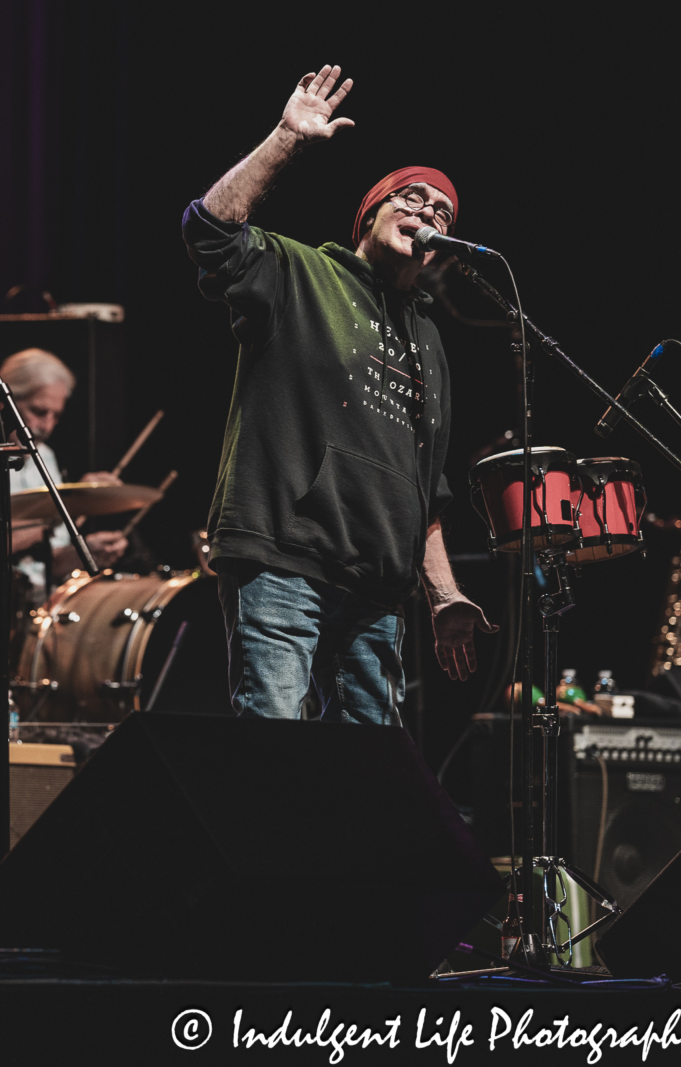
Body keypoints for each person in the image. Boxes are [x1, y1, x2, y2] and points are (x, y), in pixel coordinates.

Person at [181, 65, 495, 724]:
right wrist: (286, 139)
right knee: (274, 751)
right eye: (409, 198)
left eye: (441, 211)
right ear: (372, 213)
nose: (426, 211)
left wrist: (442, 595)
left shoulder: (429, 342)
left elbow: (426, 486)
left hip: (377, 588)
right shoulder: (301, 272)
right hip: (281, 557)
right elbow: (209, 229)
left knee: (372, 777)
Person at [0, 348, 127, 603]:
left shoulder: (45, 454)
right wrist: (68, 502)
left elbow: (49, 559)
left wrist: (85, 553)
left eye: (56, 416)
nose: (48, 426)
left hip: (41, 602)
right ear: (3, 400)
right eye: (39, 412)